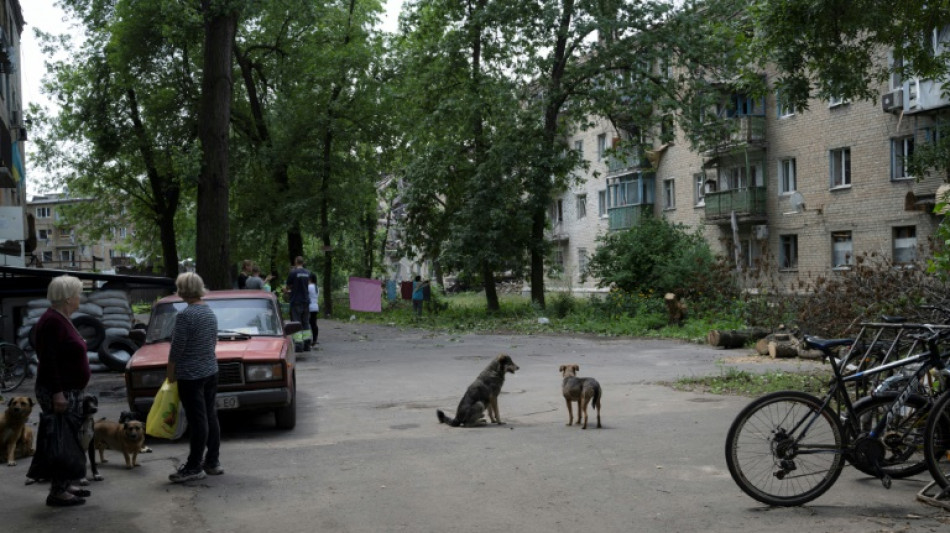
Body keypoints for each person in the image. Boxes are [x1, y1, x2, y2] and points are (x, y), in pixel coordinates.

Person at [32, 275, 91, 507]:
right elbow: (48, 361)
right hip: (60, 391)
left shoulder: (61, 318)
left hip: (69, 389)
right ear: (68, 298)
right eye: (78, 294)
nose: (80, 298)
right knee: (61, 439)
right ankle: (57, 491)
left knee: (69, 437)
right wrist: (58, 393)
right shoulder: (53, 322)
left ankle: (65, 483)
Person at [167, 272, 222, 483]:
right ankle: (213, 462)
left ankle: (193, 467)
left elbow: (177, 348)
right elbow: (211, 341)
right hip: (210, 370)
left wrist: (170, 372)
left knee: (198, 420)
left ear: (182, 290)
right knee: (210, 416)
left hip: (191, 375)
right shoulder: (209, 312)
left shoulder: (185, 315)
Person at [284, 256, 312, 351]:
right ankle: (307, 344)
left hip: (296, 300)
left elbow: (288, 287)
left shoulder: (293, 273)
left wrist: (286, 290)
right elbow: (307, 285)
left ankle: (299, 345)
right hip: (306, 300)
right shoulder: (308, 273)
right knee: (306, 322)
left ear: (296, 262)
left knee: (296, 322)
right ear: (303, 262)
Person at [307, 272, 320, 346]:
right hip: (315, 307)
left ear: (310, 279)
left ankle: (308, 339)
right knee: (314, 324)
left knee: (308, 324)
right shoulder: (316, 287)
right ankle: (315, 339)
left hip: (309, 307)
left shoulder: (309, 286)